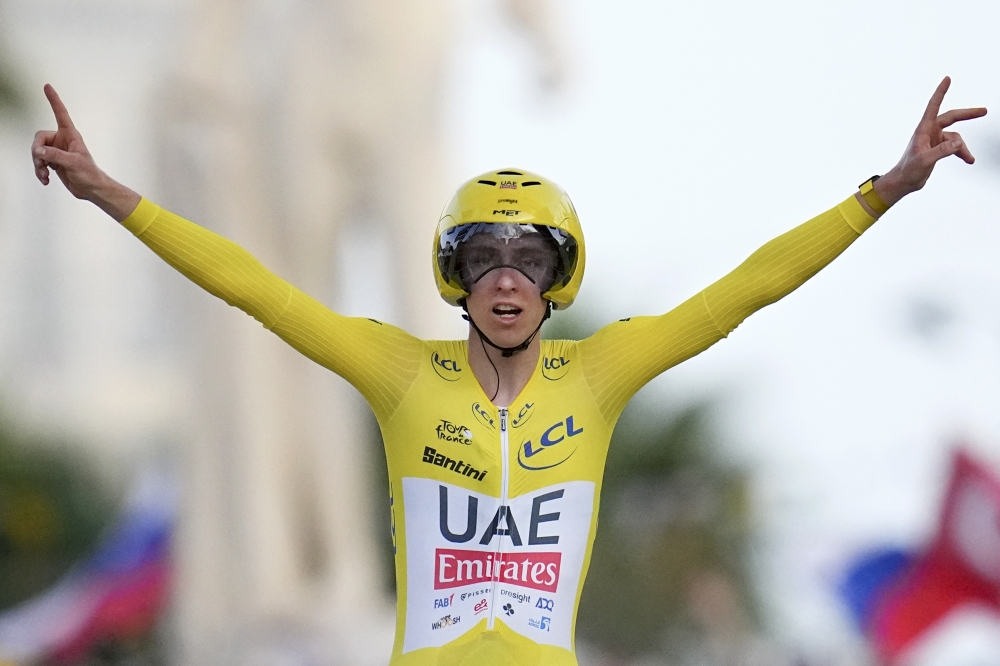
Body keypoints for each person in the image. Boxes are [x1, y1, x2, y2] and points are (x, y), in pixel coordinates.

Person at [30, 79, 984, 666]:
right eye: (484, 258)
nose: (506, 280)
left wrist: (884, 191)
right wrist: (110, 192)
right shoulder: (399, 369)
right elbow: (255, 289)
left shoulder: (601, 373)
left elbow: (743, 291)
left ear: (556, 278)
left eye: (529, 260)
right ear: (455, 274)